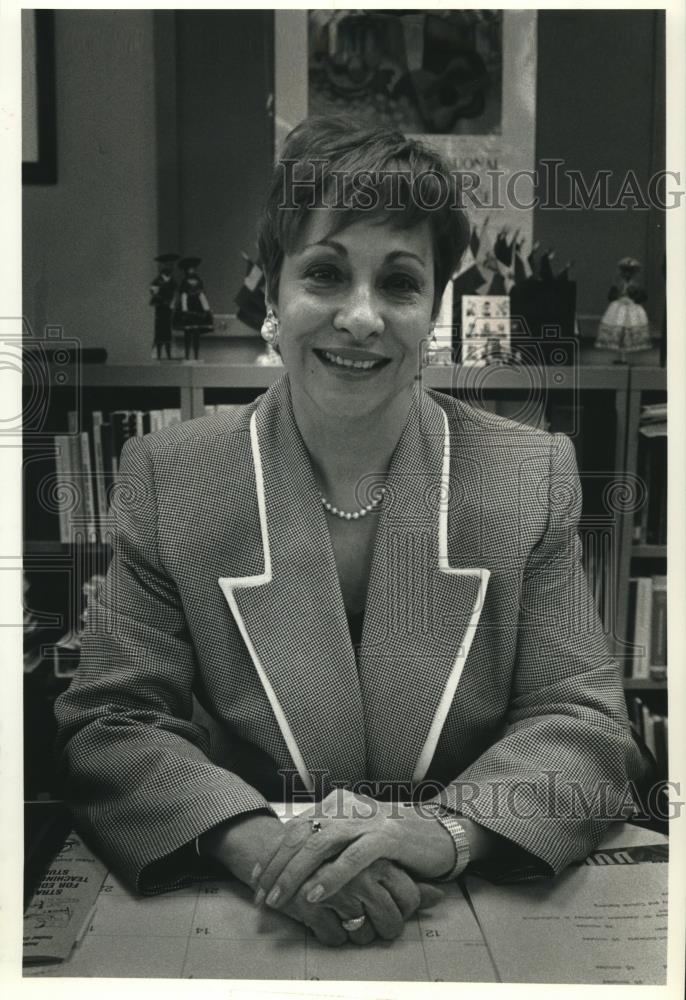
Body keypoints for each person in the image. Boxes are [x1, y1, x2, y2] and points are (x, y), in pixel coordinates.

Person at [54, 116, 646, 949]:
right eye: (326, 274)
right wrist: (266, 851)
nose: (361, 318)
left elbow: (584, 723)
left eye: (399, 284)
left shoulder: (525, 475)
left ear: (432, 309)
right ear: (271, 291)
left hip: (461, 908)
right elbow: (111, 723)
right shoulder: (172, 477)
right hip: (255, 916)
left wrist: (446, 834)